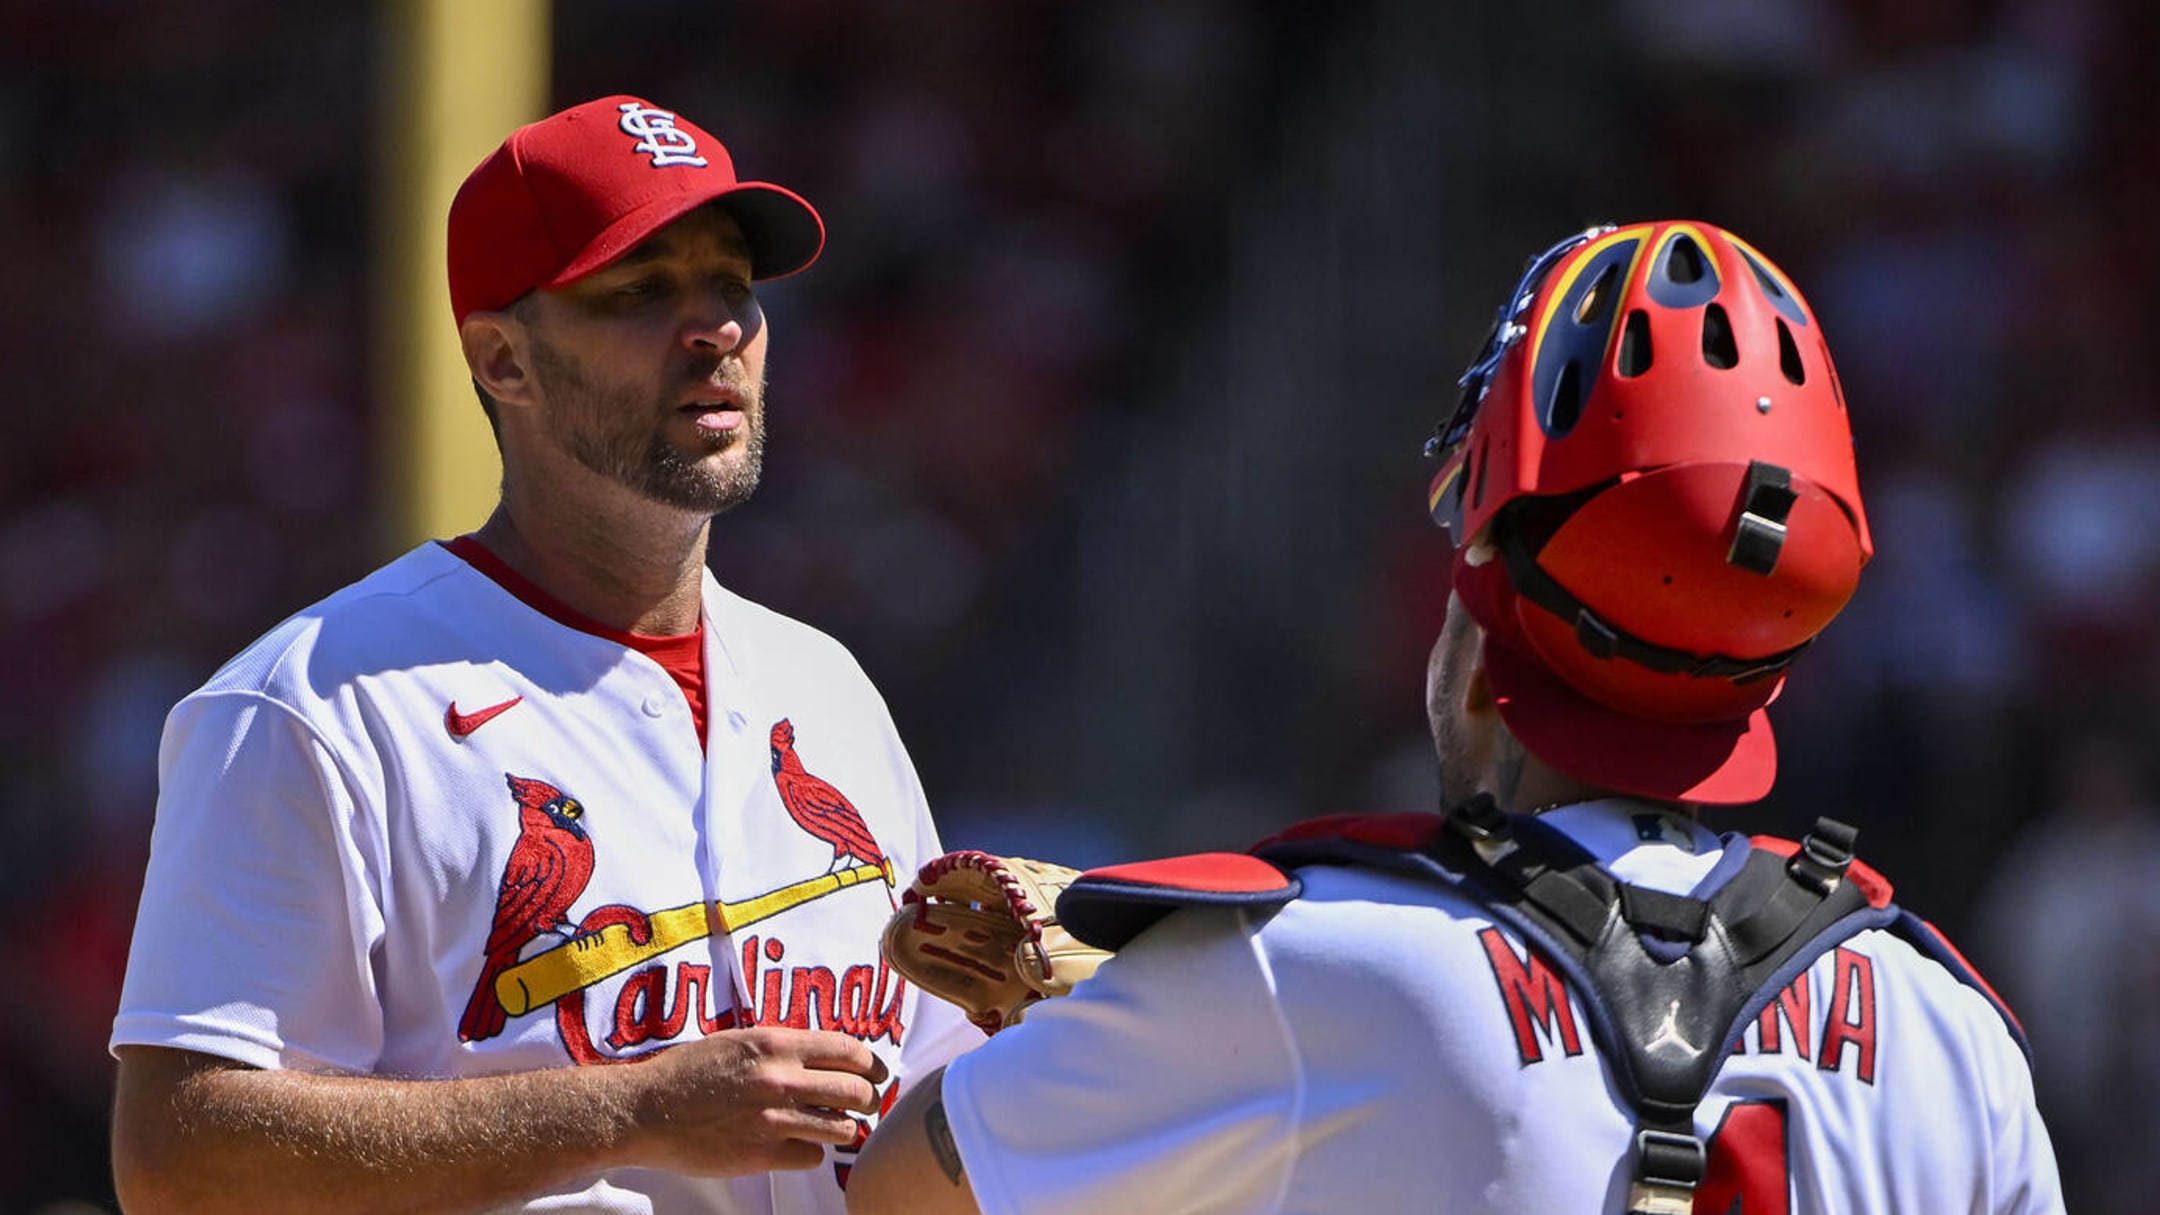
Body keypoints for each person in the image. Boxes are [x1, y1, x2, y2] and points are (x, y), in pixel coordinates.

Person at [847, 221, 2065, 1214]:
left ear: (1482, 648)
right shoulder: (1953, 1028)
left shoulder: (1303, 964)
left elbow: (894, 1195)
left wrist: (1098, 1023)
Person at [108, 95, 978, 1215]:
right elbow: (180, 1155)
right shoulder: (310, 707)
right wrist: (629, 1112)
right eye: (641, 291)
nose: (714, 327)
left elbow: (931, 1117)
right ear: (503, 360)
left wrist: (1113, 1034)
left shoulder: (828, 688)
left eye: (732, 285)